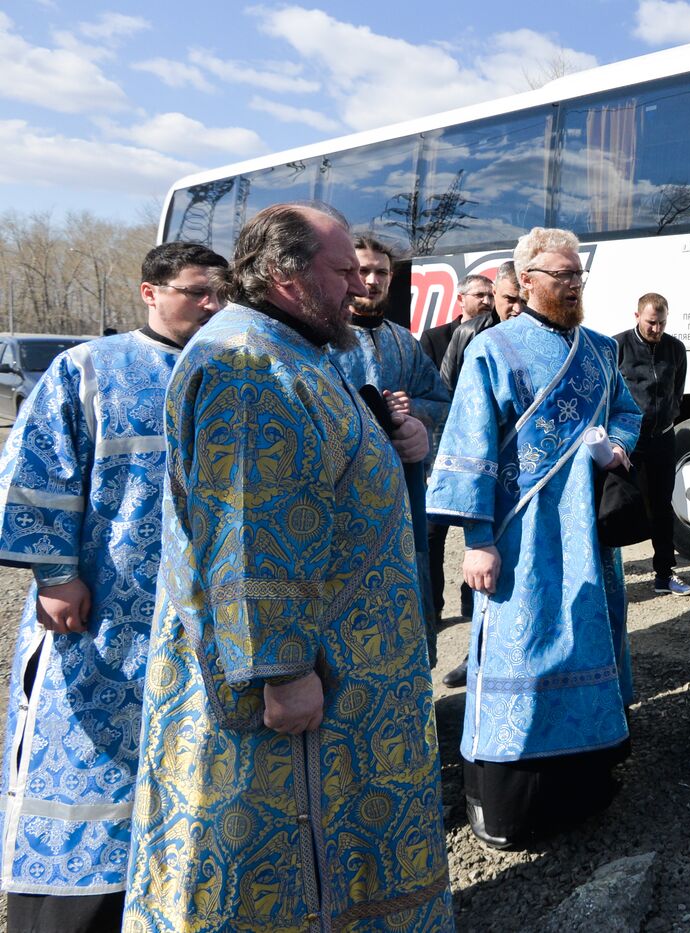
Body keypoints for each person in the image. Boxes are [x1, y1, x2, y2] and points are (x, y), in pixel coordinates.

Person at [123, 204, 453, 929]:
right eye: (340, 273)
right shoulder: (249, 364)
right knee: (280, 874)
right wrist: (282, 669)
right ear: (284, 275)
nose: (357, 291)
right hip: (296, 688)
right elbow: (247, 526)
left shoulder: (293, 349)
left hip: (339, 665)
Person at [0, 242, 226, 933]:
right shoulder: (90, 368)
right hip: (101, 617)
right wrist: (57, 574)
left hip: (195, 620)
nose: (213, 305)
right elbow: (38, 471)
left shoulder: (228, 370)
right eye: (197, 292)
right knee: (88, 765)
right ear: (149, 292)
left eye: (222, 294)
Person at [426, 227, 641, 849]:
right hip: (522, 532)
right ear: (526, 282)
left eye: (578, 275)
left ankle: (585, 780)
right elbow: (469, 446)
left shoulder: (600, 350)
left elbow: (626, 411)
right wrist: (479, 539)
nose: (572, 285)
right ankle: (513, 801)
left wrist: (618, 445)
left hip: (589, 530)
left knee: (589, 638)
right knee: (524, 647)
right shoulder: (494, 349)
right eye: (561, 275)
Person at [328, 235, 450, 663]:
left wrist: (412, 410)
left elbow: (442, 402)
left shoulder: (404, 341)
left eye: (381, 272)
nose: (372, 280)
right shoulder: (324, 341)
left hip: (403, 490)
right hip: (345, 497)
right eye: (363, 271)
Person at [437, 264, 519, 688]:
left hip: (519, 480)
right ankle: (474, 652)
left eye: (520, 299)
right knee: (477, 558)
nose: (513, 308)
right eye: (506, 300)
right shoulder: (472, 336)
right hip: (476, 465)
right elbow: (446, 392)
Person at [421, 273, 495, 628]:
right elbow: (431, 390)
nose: (486, 301)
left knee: (476, 532)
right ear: (460, 298)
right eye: (479, 294)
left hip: (478, 453)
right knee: (433, 534)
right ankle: (433, 608)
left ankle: (471, 605)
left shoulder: (493, 335)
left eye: (489, 294)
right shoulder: (436, 338)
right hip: (440, 448)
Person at [614, 292, 690, 596]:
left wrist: (670, 416)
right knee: (618, 505)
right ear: (637, 317)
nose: (656, 329)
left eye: (661, 323)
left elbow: (679, 389)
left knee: (662, 507)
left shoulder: (675, 349)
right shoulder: (617, 345)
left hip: (662, 437)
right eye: (651, 323)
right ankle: (611, 577)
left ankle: (664, 574)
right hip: (628, 440)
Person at [440, 262, 521, 393]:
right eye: (510, 299)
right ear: (495, 292)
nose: (518, 309)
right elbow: (445, 390)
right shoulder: (467, 332)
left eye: (524, 300)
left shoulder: (548, 331)